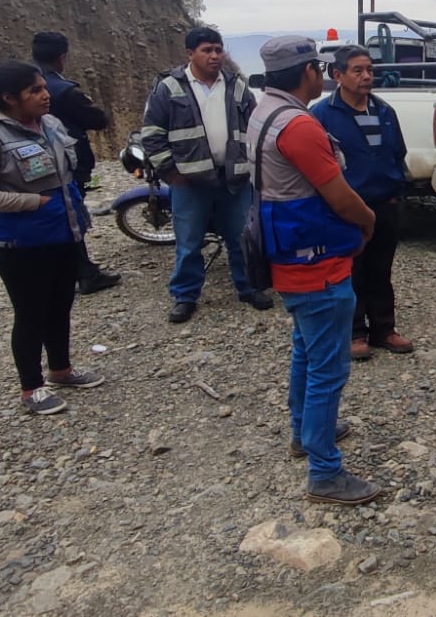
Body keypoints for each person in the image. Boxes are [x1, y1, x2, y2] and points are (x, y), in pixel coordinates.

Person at [247, 35, 380, 505]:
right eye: (319, 68)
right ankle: (325, 472)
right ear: (309, 72)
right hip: (315, 263)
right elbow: (339, 195)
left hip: (288, 258)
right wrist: (368, 221)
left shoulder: (262, 112)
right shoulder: (299, 127)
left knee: (305, 349)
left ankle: (303, 433)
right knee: (328, 368)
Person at [0, 61, 105, 416]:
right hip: (21, 244)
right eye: (35, 91)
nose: (45, 96)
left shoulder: (50, 125)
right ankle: (31, 388)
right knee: (30, 314)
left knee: (60, 306)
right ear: (10, 98)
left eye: (43, 88)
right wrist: (31, 202)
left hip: (63, 234)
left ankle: (61, 369)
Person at [141, 26, 273, 323]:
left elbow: (254, 127)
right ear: (190, 54)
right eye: (207, 50)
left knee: (242, 237)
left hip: (235, 179)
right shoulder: (169, 88)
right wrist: (170, 172)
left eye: (218, 49)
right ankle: (185, 297)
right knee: (189, 242)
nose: (215, 56)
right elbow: (151, 134)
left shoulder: (236, 86)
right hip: (190, 182)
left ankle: (249, 287)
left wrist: (252, 166)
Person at [311, 45, 414, 360]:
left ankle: (384, 329)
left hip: (385, 205)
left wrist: (395, 191)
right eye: (358, 70)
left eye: (369, 69)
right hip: (347, 209)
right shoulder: (321, 115)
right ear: (338, 75)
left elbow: (398, 153)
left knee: (381, 270)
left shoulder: (384, 111)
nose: (367, 76)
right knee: (351, 270)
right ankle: (355, 333)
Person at [30, 31, 121, 295]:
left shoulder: (24, 83)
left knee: (51, 216)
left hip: (34, 168)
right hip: (66, 163)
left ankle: (63, 271)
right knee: (71, 216)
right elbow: (97, 120)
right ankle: (83, 272)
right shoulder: (62, 90)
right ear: (62, 57)